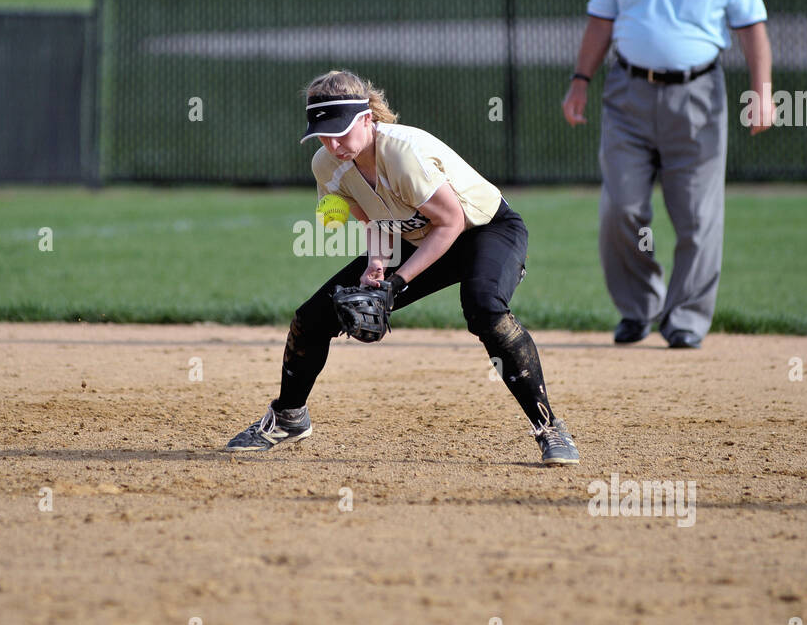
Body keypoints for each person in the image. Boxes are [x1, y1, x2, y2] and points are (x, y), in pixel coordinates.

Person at [224, 69, 580, 466]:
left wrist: (397, 283)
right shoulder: (326, 165)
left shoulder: (401, 151)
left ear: (366, 118)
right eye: (323, 134)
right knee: (312, 318)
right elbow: (375, 219)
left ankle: (549, 427)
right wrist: (377, 265)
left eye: (341, 130)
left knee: (485, 308)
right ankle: (289, 417)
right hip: (414, 237)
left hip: (485, 231)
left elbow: (451, 222)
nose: (334, 143)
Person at [562, 0, 775, 349]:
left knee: (698, 218)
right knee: (621, 208)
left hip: (698, 97)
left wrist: (763, 93)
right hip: (628, 94)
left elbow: (752, 30)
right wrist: (580, 82)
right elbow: (600, 22)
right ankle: (638, 309)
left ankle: (685, 319)